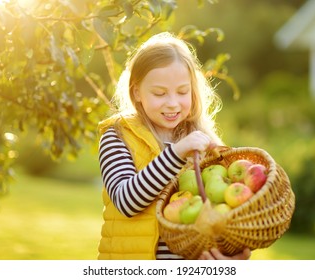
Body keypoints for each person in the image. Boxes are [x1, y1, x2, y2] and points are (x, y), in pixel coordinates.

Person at [97, 32, 251, 260]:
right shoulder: (117, 136)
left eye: (182, 92)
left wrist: (231, 256)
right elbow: (126, 201)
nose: (172, 103)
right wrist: (177, 152)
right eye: (160, 93)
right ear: (137, 92)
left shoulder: (202, 140)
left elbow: (227, 208)